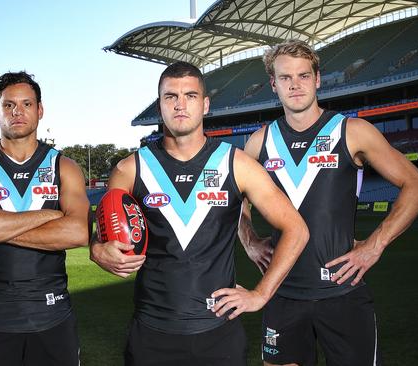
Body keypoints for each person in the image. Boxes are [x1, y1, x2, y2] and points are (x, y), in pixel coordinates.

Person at [90, 61, 309, 366]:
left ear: (205, 104)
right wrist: (97, 250)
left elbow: (296, 229)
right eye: (170, 97)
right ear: (160, 106)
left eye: (190, 96)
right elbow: (101, 234)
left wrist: (260, 294)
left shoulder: (237, 164)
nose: (180, 105)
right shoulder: (130, 169)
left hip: (218, 334)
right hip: (152, 333)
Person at [238, 39, 418, 366]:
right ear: (273, 84)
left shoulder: (352, 131)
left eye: (303, 76)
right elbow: (234, 199)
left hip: (343, 293)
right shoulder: (260, 141)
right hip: (281, 293)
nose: (295, 85)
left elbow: (417, 186)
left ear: (317, 79)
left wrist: (374, 245)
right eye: (285, 78)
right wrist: (250, 241)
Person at [0, 71, 89, 366]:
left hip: (54, 316)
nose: (18, 112)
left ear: (40, 110)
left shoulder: (63, 166)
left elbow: (78, 232)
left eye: (27, 104)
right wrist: (49, 216)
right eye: (9, 105)